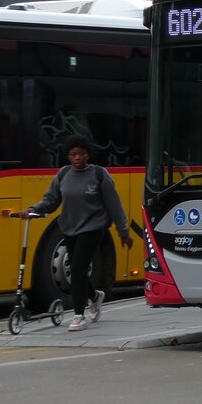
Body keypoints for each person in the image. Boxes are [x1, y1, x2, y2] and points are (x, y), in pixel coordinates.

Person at [19, 135, 133, 332]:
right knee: (76, 269)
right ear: (68, 156)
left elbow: (114, 205)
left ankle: (79, 315)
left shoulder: (99, 175)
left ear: (88, 154)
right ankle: (95, 296)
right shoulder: (63, 174)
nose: (77, 158)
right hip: (69, 227)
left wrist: (123, 231)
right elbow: (51, 200)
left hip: (93, 227)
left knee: (78, 268)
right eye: (73, 154)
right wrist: (33, 209)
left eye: (81, 154)